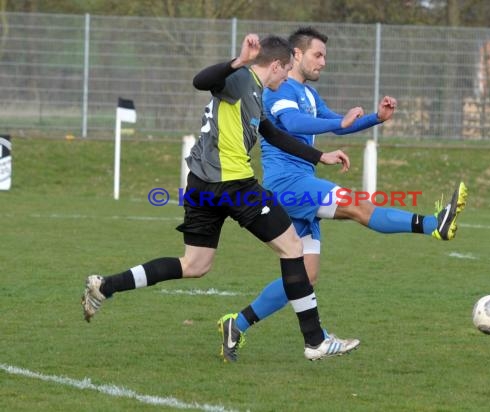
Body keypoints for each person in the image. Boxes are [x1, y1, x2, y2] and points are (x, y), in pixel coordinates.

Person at [81, 33, 362, 362]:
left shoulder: (255, 95)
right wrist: (238, 61)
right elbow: (202, 80)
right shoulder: (240, 79)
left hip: (202, 186)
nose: (287, 77)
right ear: (275, 65)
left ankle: (106, 285)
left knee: (194, 264)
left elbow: (273, 134)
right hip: (234, 186)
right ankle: (315, 340)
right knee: (293, 248)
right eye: (286, 70)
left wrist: (319, 156)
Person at [218, 27, 468, 362]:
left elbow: (337, 123)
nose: (323, 62)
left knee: (304, 277)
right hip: (289, 184)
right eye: (317, 55)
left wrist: (374, 119)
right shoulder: (280, 89)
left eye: (325, 56)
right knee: (358, 206)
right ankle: (434, 224)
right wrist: (335, 131)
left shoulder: (306, 94)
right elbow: (290, 124)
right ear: (296, 55)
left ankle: (237, 324)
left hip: (301, 183)